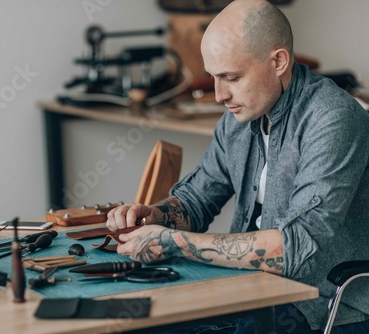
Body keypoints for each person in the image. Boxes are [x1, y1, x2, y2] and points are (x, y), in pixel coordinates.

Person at [106, 0, 369, 333]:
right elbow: (195, 201)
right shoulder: (240, 117)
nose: (219, 95)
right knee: (132, 319)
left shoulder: (332, 118)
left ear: (278, 61)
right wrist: (153, 215)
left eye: (231, 77)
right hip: (254, 288)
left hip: (323, 302)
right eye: (214, 77)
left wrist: (173, 241)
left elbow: (296, 248)